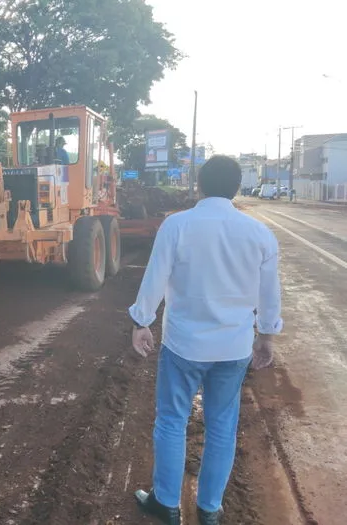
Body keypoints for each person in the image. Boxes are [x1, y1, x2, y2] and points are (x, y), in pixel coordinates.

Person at [128, 155, 283, 525]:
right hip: (233, 349)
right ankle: (209, 509)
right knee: (222, 427)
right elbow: (269, 294)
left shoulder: (177, 225)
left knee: (171, 421)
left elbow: (155, 277)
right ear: (237, 188)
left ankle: (165, 504)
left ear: (198, 185)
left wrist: (142, 321)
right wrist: (267, 336)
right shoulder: (260, 234)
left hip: (183, 345)